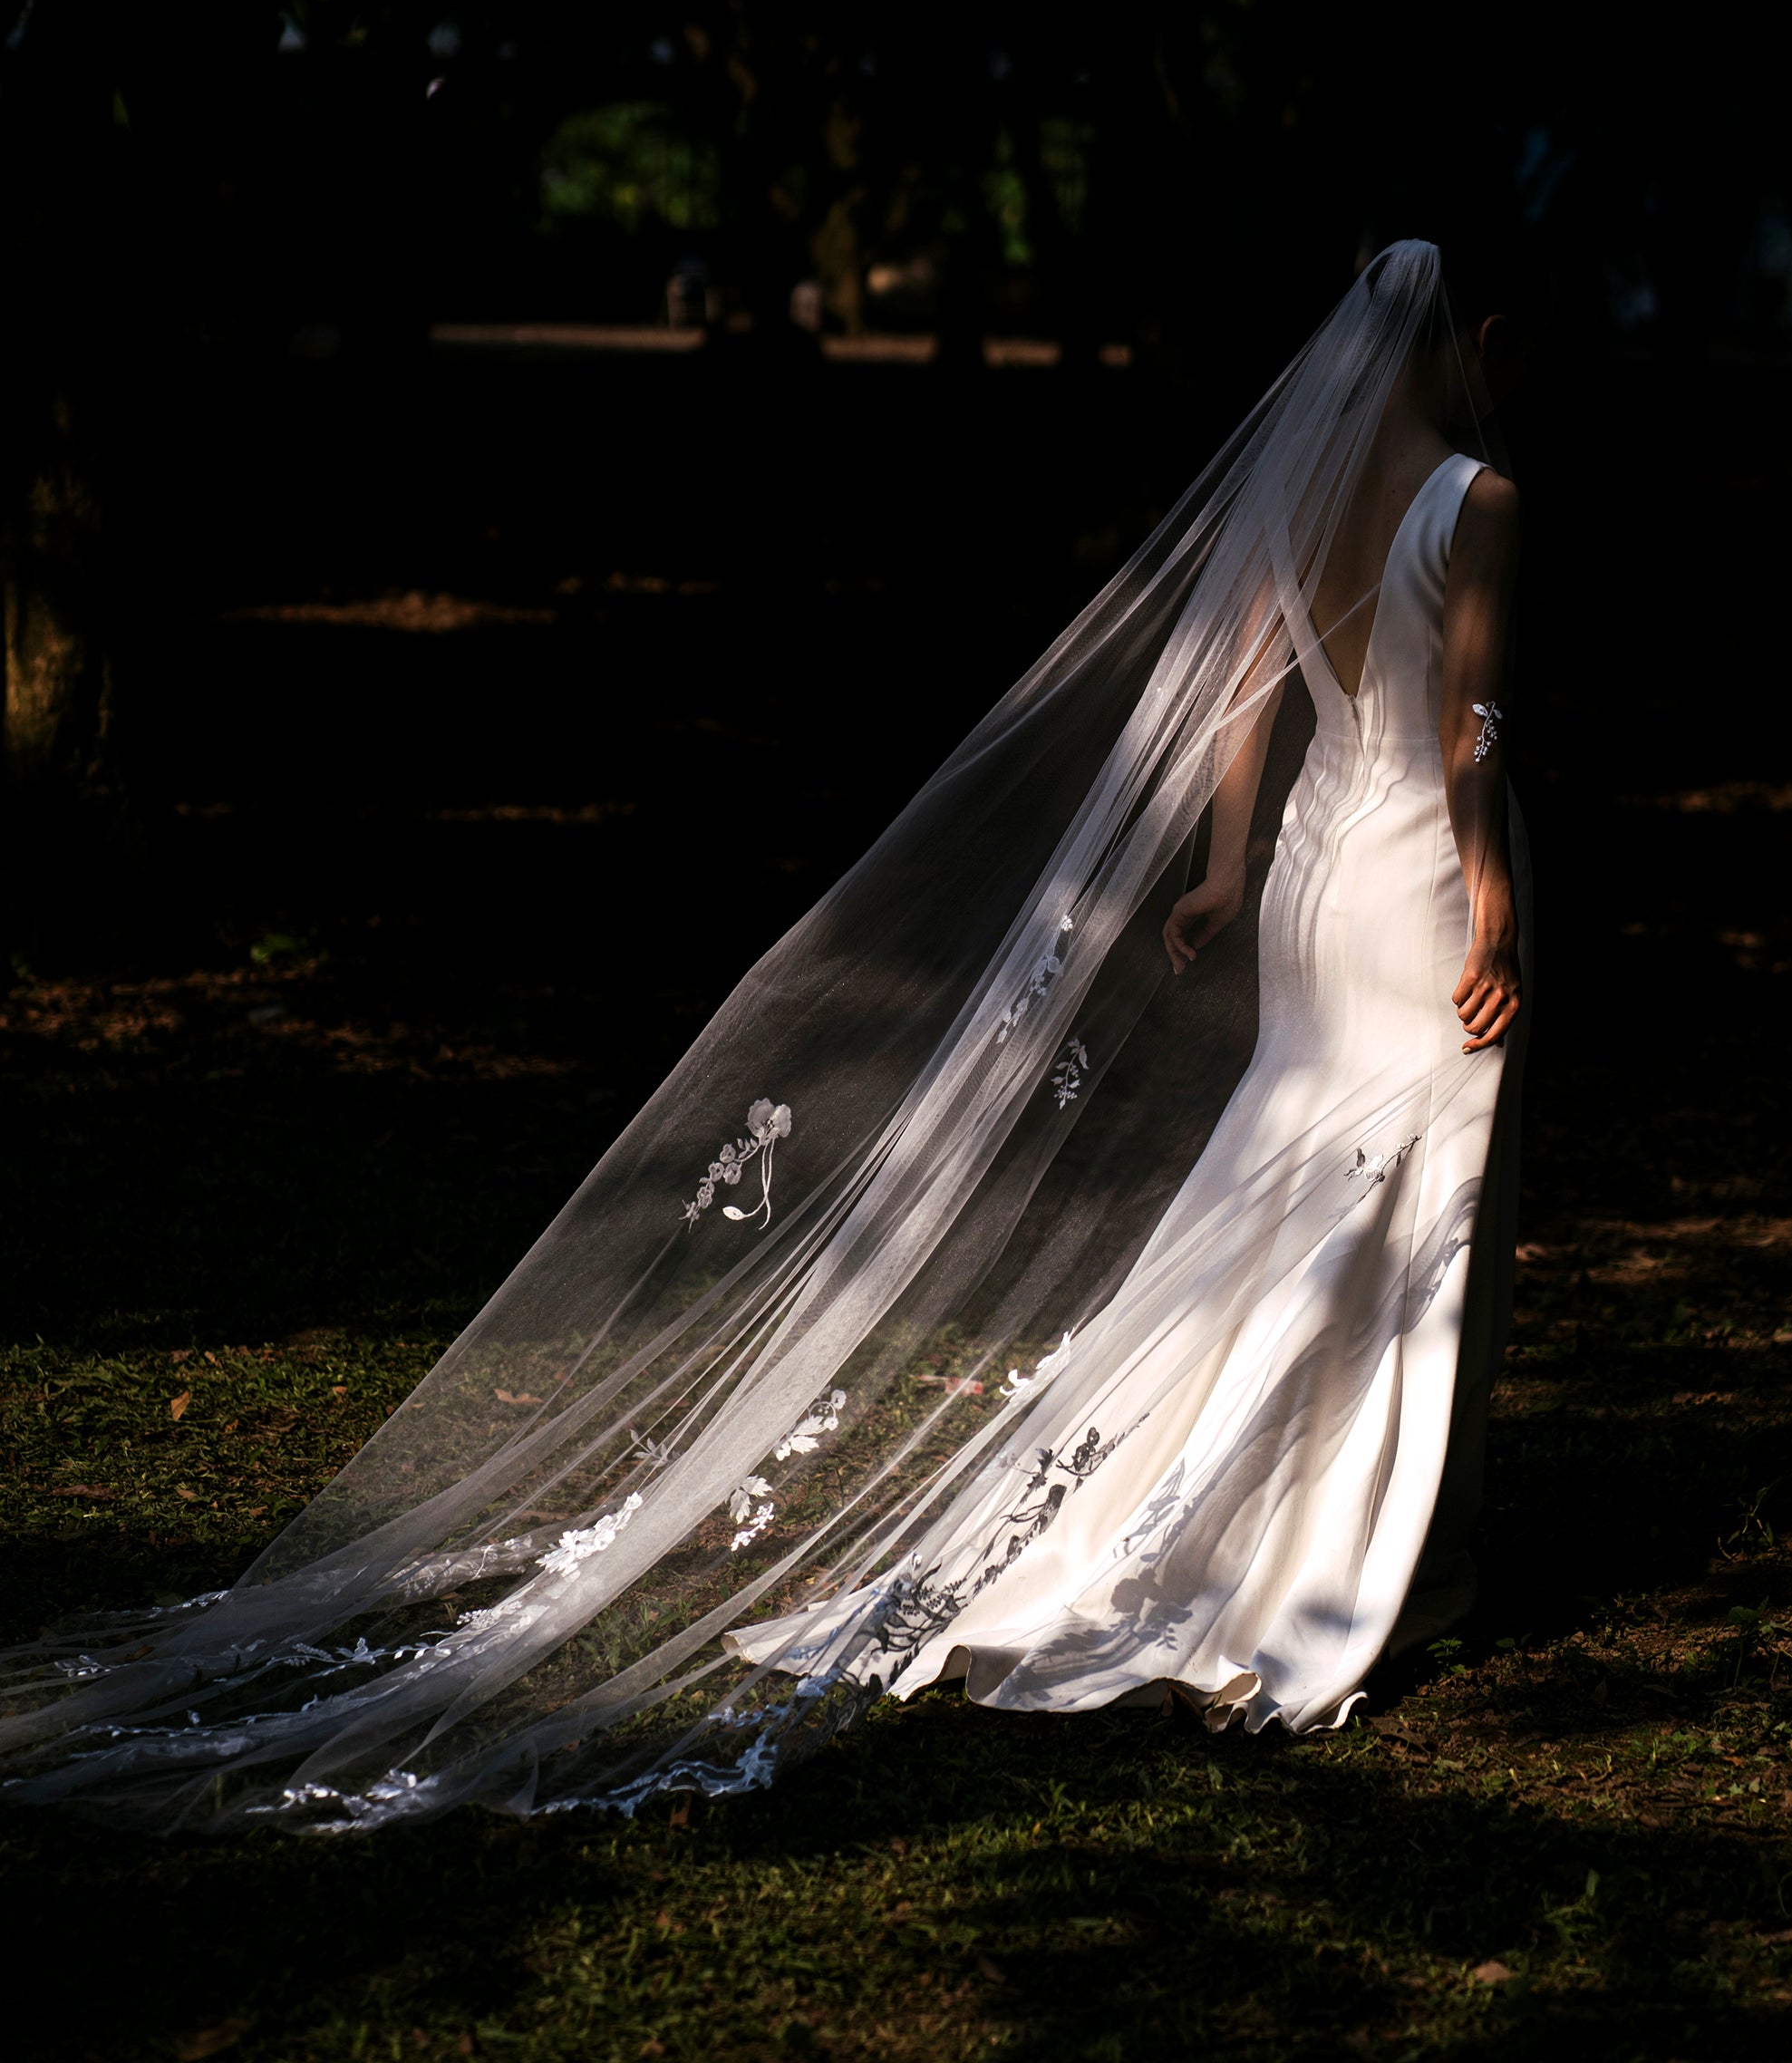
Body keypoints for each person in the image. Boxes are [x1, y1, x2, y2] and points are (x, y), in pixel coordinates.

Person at [2, 237, 1535, 1828]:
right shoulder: (1474, 501)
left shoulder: (1295, 499)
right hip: (1414, 876)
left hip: (1305, 877)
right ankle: (1340, 1546)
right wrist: (1487, 898)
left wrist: (1225, 869)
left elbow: (1235, 700)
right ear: (1468, 341)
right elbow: (1471, 725)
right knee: (1399, 1183)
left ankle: (1248, 1507)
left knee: (1282, 1172)